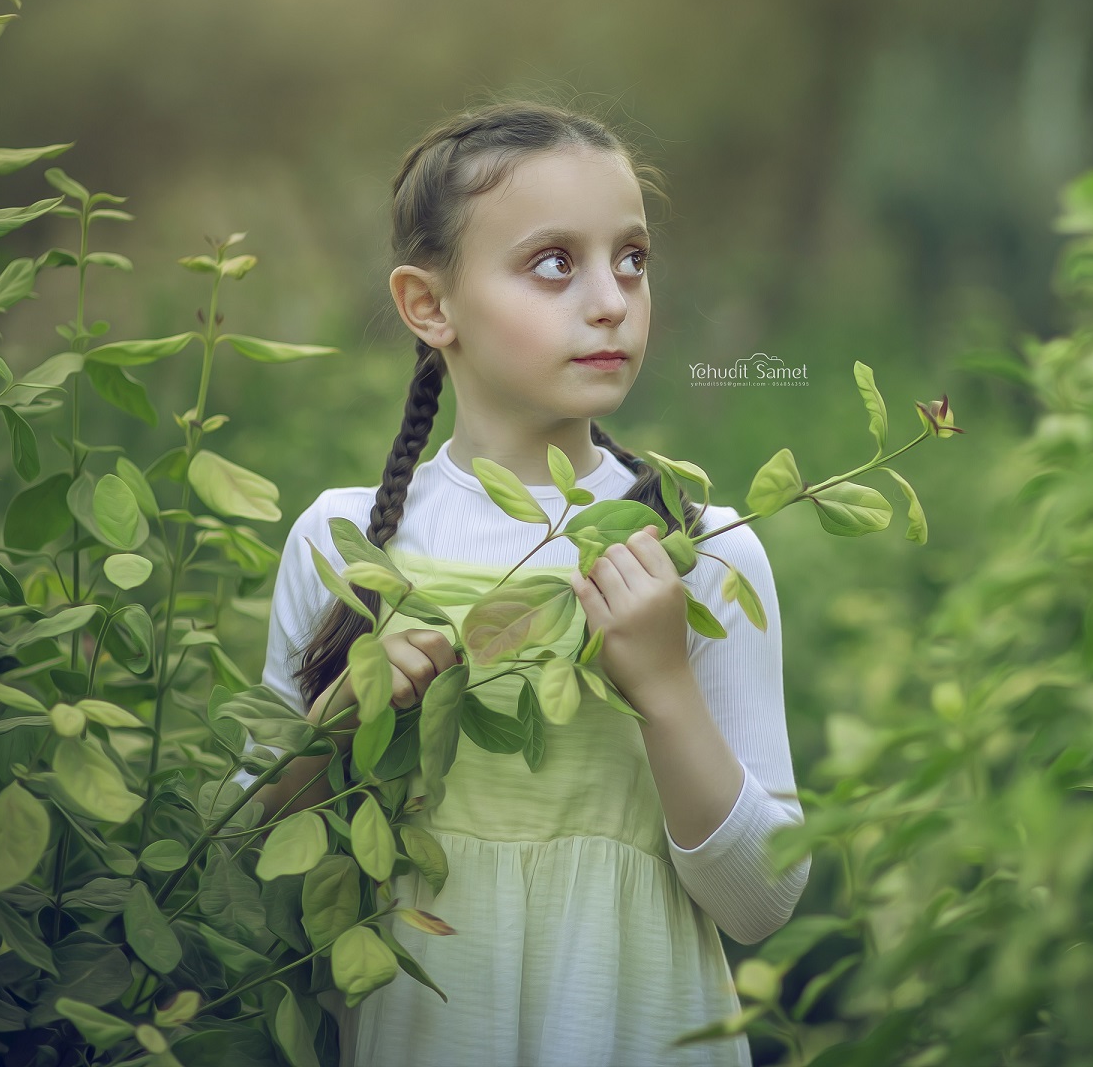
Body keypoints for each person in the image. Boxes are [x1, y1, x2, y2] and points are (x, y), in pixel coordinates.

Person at [230, 101, 810, 1065]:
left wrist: (663, 688)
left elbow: (759, 903)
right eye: (554, 264)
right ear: (429, 306)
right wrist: (332, 731)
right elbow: (250, 863)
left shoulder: (703, 549)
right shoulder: (342, 543)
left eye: (632, 259)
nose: (612, 300)